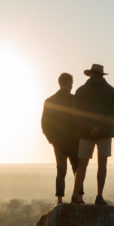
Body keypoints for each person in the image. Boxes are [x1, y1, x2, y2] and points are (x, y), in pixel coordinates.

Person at [70, 63, 114, 205]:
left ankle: (75, 194)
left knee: (82, 164)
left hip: (85, 133)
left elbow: (76, 112)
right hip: (105, 132)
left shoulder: (81, 90)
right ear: (102, 75)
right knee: (102, 163)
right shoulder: (111, 91)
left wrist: (89, 128)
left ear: (91, 74)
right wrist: (100, 127)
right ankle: (99, 196)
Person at [41, 72, 80, 204]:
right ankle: (78, 197)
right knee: (77, 169)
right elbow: (80, 120)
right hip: (74, 140)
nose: (72, 85)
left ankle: (59, 199)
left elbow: (44, 124)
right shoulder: (75, 100)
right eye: (72, 82)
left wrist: (52, 140)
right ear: (68, 83)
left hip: (58, 142)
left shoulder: (50, 101)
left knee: (61, 170)